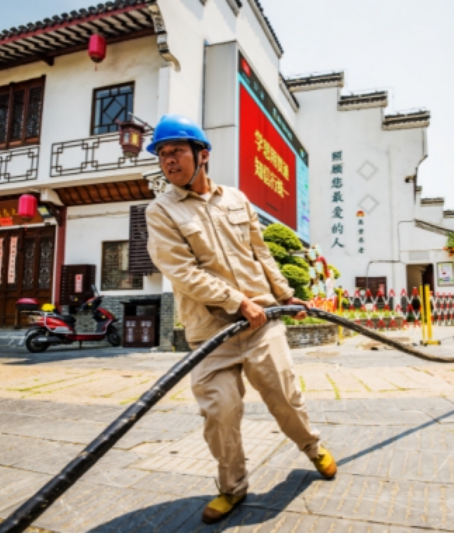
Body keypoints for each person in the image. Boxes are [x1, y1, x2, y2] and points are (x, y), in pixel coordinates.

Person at [144, 115, 336, 524]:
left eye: (176, 150)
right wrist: (237, 301)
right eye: (161, 154)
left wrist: (284, 294)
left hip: (261, 322)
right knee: (220, 412)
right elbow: (182, 271)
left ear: (202, 155)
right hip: (210, 331)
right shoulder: (161, 211)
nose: (168, 160)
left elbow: (260, 252)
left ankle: (313, 448)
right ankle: (232, 488)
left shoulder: (236, 199)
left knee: (285, 398)